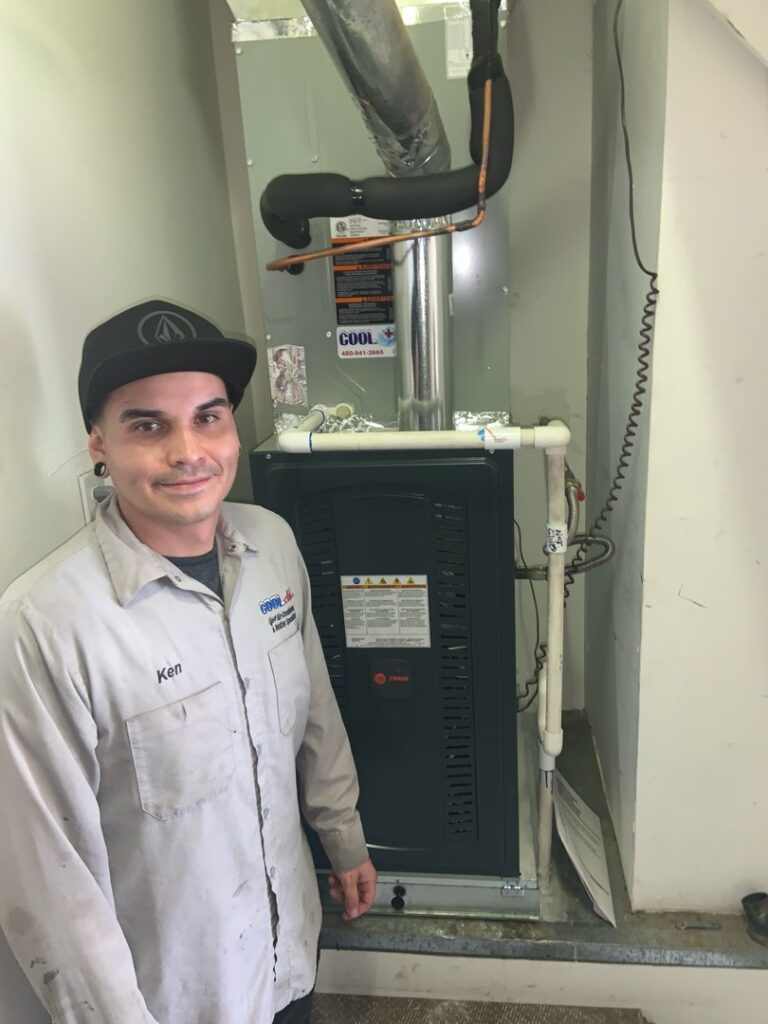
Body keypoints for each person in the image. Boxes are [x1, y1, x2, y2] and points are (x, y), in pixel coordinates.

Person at [0, 300, 377, 1024]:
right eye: (148, 425)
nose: (188, 451)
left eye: (208, 416)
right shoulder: (45, 627)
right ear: (97, 445)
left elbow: (314, 711)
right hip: (178, 999)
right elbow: (53, 890)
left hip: (287, 954)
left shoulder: (271, 545)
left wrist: (343, 836)